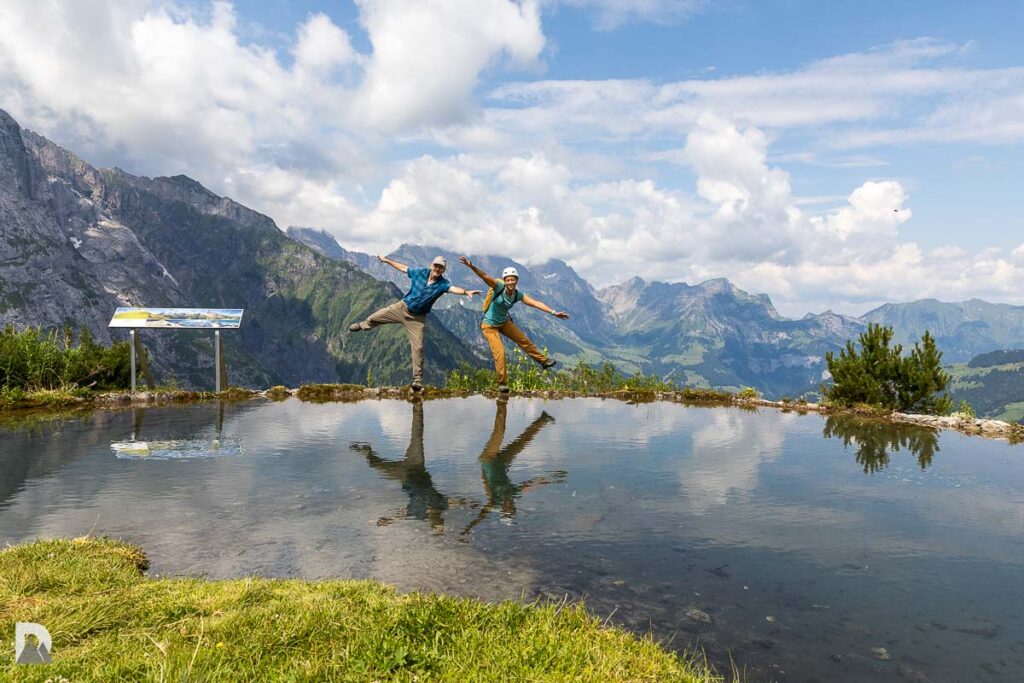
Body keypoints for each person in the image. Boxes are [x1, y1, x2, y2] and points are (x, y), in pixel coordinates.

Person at [349, 255, 481, 391]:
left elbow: (454, 289)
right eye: (436, 266)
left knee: (418, 347)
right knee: (378, 315)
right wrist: (387, 260)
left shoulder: (443, 284)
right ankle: (364, 325)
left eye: (440, 267)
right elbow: (403, 268)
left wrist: (466, 292)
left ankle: (417, 380)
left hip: (417, 319)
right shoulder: (420, 273)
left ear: (443, 270)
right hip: (402, 307)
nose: (437, 269)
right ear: (431, 265)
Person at [458, 256, 569, 393]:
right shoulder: (498, 287)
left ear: (517, 281)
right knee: (500, 353)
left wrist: (553, 312)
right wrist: (471, 266)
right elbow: (485, 276)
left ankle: (543, 361)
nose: (510, 282)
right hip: (489, 326)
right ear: (504, 281)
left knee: (524, 340)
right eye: (508, 280)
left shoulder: (517, 294)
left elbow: (535, 303)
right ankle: (502, 384)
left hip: (504, 322)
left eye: (513, 279)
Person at [460, 396, 565, 537]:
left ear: (502, 510)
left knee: (499, 432)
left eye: (507, 510)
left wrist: (468, 528)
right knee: (523, 441)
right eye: (511, 510)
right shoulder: (513, 494)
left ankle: (501, 401)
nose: (509, 507)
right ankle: (543, 419)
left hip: (488, 459)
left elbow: (482, 515)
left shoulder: (494, 503)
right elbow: (530, 484)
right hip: (502, 463)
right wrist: (550, 478)